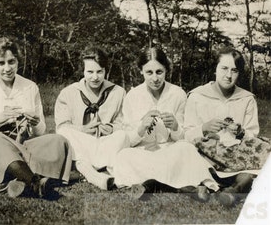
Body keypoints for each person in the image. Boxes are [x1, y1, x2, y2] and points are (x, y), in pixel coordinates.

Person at [0, 37, 72, 198]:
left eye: (11, 62)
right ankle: (34, 181)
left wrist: (35, 123)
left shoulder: (30, 87)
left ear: (18, 62)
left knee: (59, 140)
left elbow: (40, 132)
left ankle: (18, 178)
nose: (7, 68)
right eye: (1, 63)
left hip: (23, 145)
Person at [112, 46, 219, 200]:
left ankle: (151, 184)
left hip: (169, 152)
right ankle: (176, 185)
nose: (155, 78)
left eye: (159, 72)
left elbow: (182, 137)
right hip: (143, 154)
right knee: (123, 156)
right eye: (149, 72)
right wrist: (141, 127)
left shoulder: (178, 94)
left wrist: (175, 126)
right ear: (141, 71)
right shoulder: (132, 96)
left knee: (186, 148)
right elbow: (128, 140)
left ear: (166, 70)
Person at [184, 47, 270, 206]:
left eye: (234, 70)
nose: (228, 75)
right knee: (185, 152)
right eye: (224, 68)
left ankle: (232, 192)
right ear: (215, 69)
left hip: (237, 157)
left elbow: (253, 136)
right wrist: (204, 127)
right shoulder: (197, 96)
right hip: (206, 155)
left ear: (239, 74)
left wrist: (240, 132)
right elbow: (187, 134)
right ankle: (208, 185)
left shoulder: (247, 99)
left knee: (263, 154)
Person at [54, 46, 130, 190]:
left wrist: (112, 128)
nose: (95, 77)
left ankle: (89, 170)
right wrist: (82, 129)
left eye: (99, 71)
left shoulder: (118, 92)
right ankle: (93, 173)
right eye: (90, 72)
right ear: (82, 71)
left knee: (123, 135)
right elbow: (62, 125)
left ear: (105, 71)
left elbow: (124, 123)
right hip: (82, 143)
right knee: (64, 134)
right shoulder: (68, 93)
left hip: (106, 143)